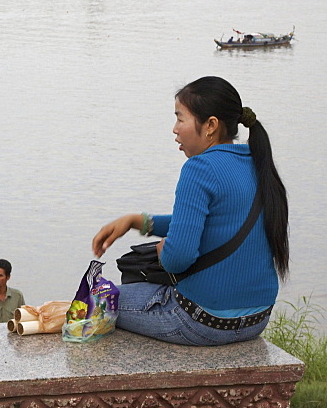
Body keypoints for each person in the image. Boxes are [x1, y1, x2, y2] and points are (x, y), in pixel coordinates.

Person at [91, 76, 289, 346]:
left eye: (180, 119)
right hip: (256, 320)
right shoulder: (256, 162)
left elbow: (178, 259)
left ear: (210, 126)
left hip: (201, 322)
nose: (174, 129)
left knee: (96, 298)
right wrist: (139, 222)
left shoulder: (199, 169)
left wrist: (164, 251)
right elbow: (210, 222)